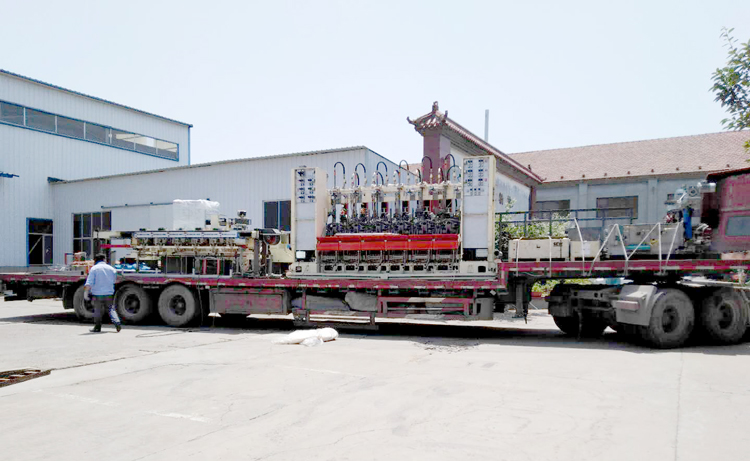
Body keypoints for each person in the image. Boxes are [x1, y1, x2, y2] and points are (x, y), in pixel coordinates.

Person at [83, 253, 121, 333]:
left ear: (95, 260)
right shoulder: (111, 269)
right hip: (109, 293)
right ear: (104, 259)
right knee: (111, 309)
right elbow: (114, 280)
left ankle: (97, 327)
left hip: (97, 294)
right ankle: (117, 322)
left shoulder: (94, 269)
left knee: (98, 311)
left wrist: (86, 293)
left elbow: (89, 282)